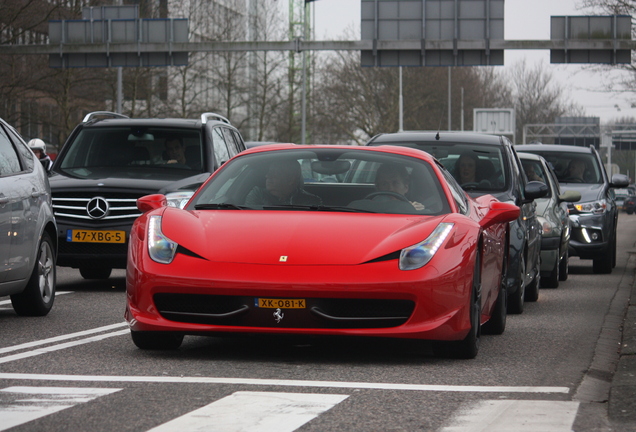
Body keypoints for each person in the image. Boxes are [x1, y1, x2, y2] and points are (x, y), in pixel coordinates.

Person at [245, 159, 322, 206]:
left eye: (274, 173)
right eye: (268, 172)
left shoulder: (311, 202)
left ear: (291, 180)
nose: (267, 176)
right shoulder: (258, 194)